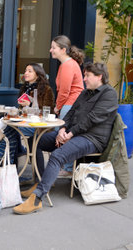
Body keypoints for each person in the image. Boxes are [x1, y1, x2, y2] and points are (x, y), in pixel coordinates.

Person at [13, 63, 118, 215]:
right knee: (34, 142)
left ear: (99, 76)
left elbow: (92, 119)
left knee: (57, 156)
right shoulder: (86, 92)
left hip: (92, 139)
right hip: (74, 134)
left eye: (87, 75)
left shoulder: (109, 94)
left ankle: (37, 199)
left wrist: (70, 134)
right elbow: (70, 113)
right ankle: (41, 182)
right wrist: (62, 129)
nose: (84, 79)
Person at [50, 35, 85, 177]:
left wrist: (57, 107)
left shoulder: (67, 65)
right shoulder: (69, 64)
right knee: (64, 135)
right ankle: (66, 167)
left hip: (69, 104)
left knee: (62, 135)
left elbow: (64, 91)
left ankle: (67, 168)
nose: (50, 50)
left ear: (63, 49)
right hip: (72, 103)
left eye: (53, 48)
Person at [17, 63, 55, 137]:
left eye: (29, 71)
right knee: (8, 124)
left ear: (37, 74)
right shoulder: (25, 88)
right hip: (25, 121)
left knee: (12, 128)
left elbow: (47, 111)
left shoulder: (46, 89)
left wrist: (30, 105)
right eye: (25, 71)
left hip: (39, 126)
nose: (26, 73)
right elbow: (22, 111)